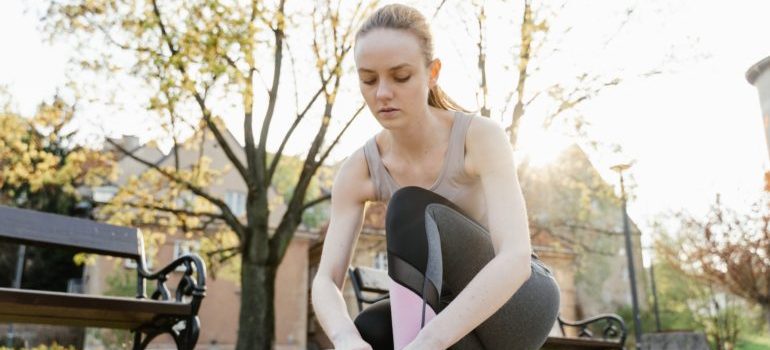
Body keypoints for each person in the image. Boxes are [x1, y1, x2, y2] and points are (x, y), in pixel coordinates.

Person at [311, 4, 560, 350]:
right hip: (449, 314)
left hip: (519, 304)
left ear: (432, 73)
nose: (382, 93)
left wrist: (425, 342)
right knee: (371, 328)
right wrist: (345, 339)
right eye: (368, 79)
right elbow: (325, 280)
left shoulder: (479, 137)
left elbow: (515, 258)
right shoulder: (360, 169)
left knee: (410, 207)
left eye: (400, 76)